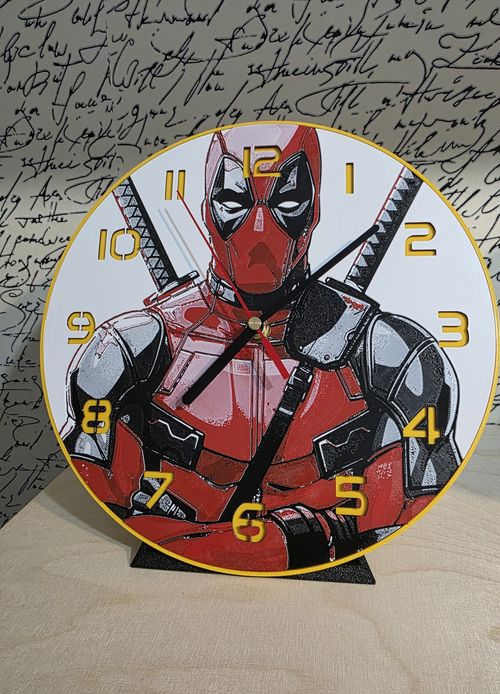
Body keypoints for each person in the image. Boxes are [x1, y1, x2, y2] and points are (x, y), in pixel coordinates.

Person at [62, 124, 460, 571]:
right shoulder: (132, 351)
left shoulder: (388, 357)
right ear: (206, 209)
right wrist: (303, 537)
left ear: (314, 210)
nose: (258, 230)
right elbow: (101, 497)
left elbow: (407, 519)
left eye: (286, 202)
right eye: (234, 202)